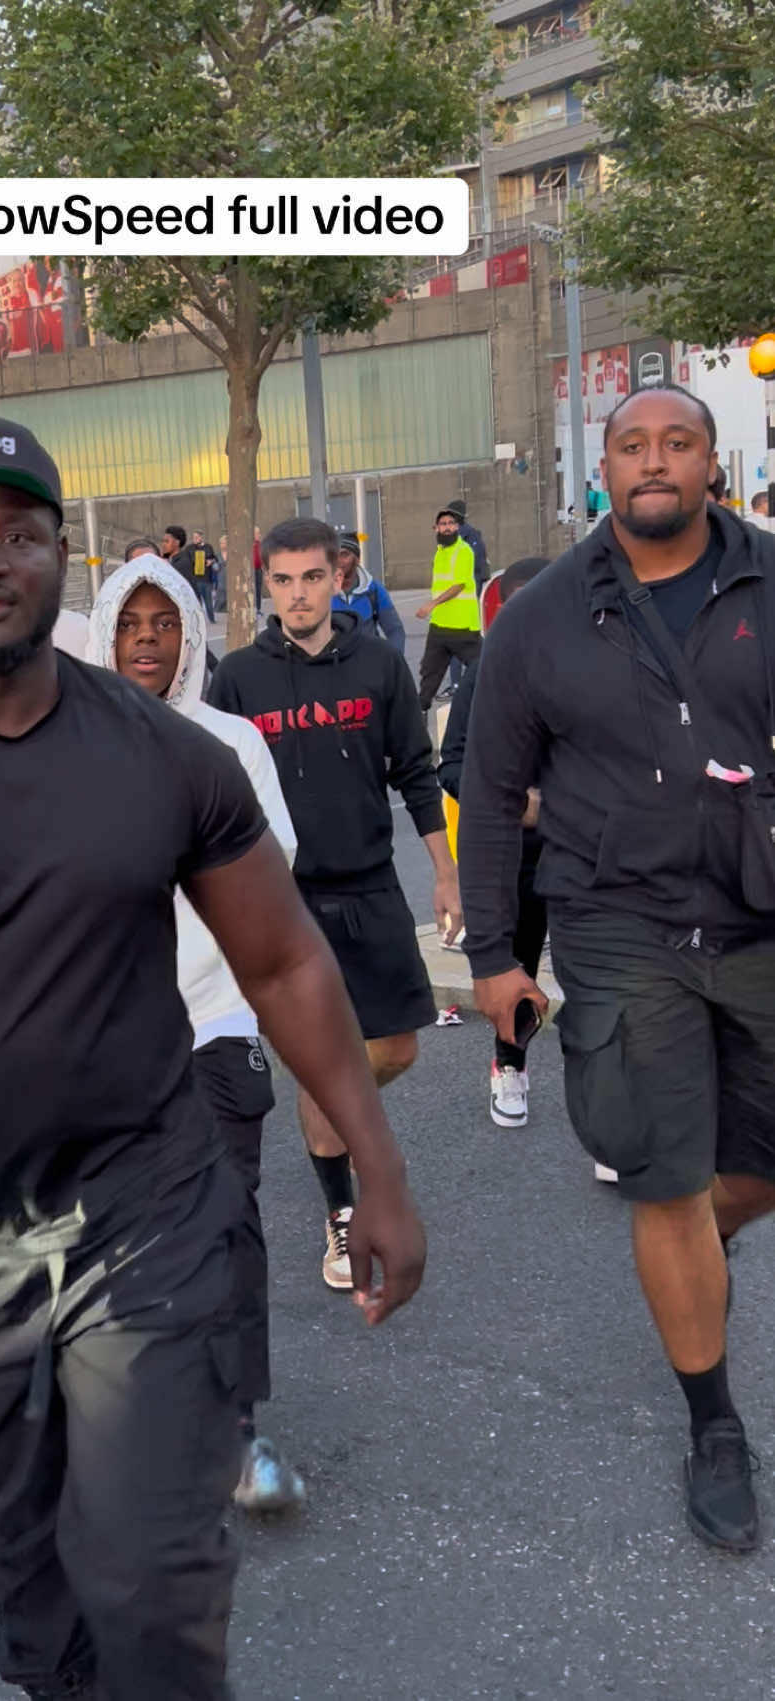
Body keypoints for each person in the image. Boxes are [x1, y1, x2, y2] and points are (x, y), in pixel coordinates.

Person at [0, 411, 426, 1701]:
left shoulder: (174, 756)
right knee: (38, 1586)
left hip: (151, 1205)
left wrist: (375, 1165)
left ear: (64, 555)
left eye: (15, 533)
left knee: (154, 1588)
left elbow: (283, 963)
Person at [459, 384, 775, 1555]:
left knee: (724, 1184)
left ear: (710, 463)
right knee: (659, 1174)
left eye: (677, 443)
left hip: (758, 916)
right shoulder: (539, 617)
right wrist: (493, 955)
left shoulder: (767, 581)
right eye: (632, 445)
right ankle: (713, 1421)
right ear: (604, 469)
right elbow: (489, 793)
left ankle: (704, 1229)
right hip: (614, 922)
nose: (655, 462)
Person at [87, 554, 304, 1511]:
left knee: (225, 1224)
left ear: (189, 634)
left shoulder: (231, 741)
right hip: (98, 1037)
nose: (145, 637)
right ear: (104, 635)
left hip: (215, 1021)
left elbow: (274, 861)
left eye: (162, 621)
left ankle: (236, 1426)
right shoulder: (69, 745)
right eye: (128, 622)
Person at [209, 517, 459, 1290]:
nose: (297, 595)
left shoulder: (380, 664)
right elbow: (212, 787)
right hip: (286, 901)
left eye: (311, 577)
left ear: (338, 576)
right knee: (325, 1065)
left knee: (394, 1049)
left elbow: (417, 773)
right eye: (281, 581)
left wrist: (445, 874)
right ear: (266, 586)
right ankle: (340, 1209)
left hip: (372, 884)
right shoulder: (240, 677)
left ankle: (340, 1106)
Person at [437, 557, 550, 1129]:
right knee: (517, 964)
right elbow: (451, 763)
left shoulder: (598, 668)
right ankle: (510, 1063)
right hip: (516, 853)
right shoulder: (484, 675)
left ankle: (613, 1111)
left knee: (605, 981)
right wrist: (513, 800)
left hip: (590, 853)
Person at [415, 507, 482, 712]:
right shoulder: (440, 552)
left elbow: (459, 585)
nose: (447, 528)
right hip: (440, 627)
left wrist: (432, 604)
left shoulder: (464, 551)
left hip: (463, 627)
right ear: (436, 528)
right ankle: (421, 716)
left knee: (482, 671)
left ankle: (487, 712)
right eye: (443, 524)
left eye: (451, 524)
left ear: (457, 527)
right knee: (429, 675)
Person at [332, 533, 406, 654]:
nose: (338, 561)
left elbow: (394, 630)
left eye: (344, 555)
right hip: (334, 667)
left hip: (368, 664)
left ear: (357, 559)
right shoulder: (322, 591)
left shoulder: (374, 590)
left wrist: (394, 663)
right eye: (334, 556)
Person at [161, 523, 214, 621]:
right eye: (163, 541)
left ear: (177, 543)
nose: (163, 544)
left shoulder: (182, 563)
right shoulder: (174, 560)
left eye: (167, 541)